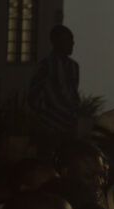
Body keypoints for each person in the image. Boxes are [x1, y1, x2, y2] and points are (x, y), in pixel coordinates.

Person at [27, 24, 79, 154]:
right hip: (50, 129)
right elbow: (33, 96)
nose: (72, 44)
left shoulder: (73, 67)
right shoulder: (46, 66)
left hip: (68, 128)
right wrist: (47, 115)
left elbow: (73, 92)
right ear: (56, 42)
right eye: (68, 40)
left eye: (71, 40)